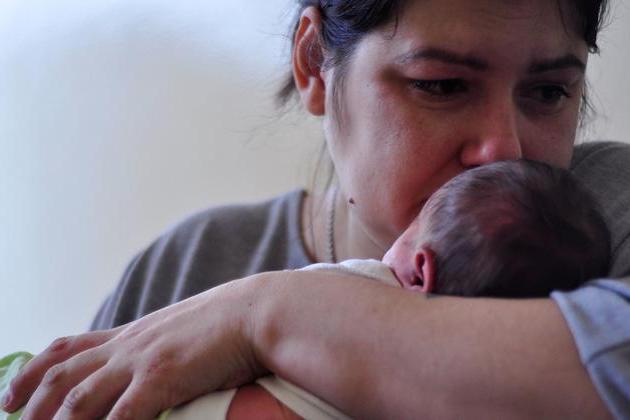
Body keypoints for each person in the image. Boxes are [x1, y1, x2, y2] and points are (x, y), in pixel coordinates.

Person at [3, 0, 630, 419]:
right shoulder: (186, 268)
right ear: (315, 67)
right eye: (441, 85)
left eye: (549, 92)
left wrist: (262, 315)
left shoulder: (603, 218)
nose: (504, 149)